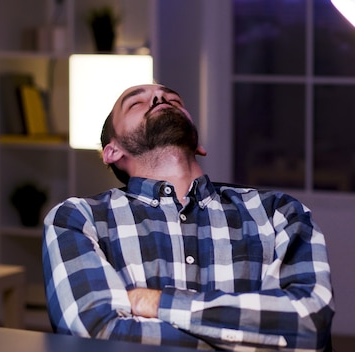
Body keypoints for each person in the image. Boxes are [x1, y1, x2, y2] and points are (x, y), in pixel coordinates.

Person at [42, 84, 335, 351]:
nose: (159, 98)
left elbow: (309, 323)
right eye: (136, 103)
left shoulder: (277, 211)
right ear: (112, 151)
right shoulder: (79, 219)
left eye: (173, 99)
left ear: (198, 145)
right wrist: (252, 336)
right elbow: (95, 333)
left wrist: (156, 302)